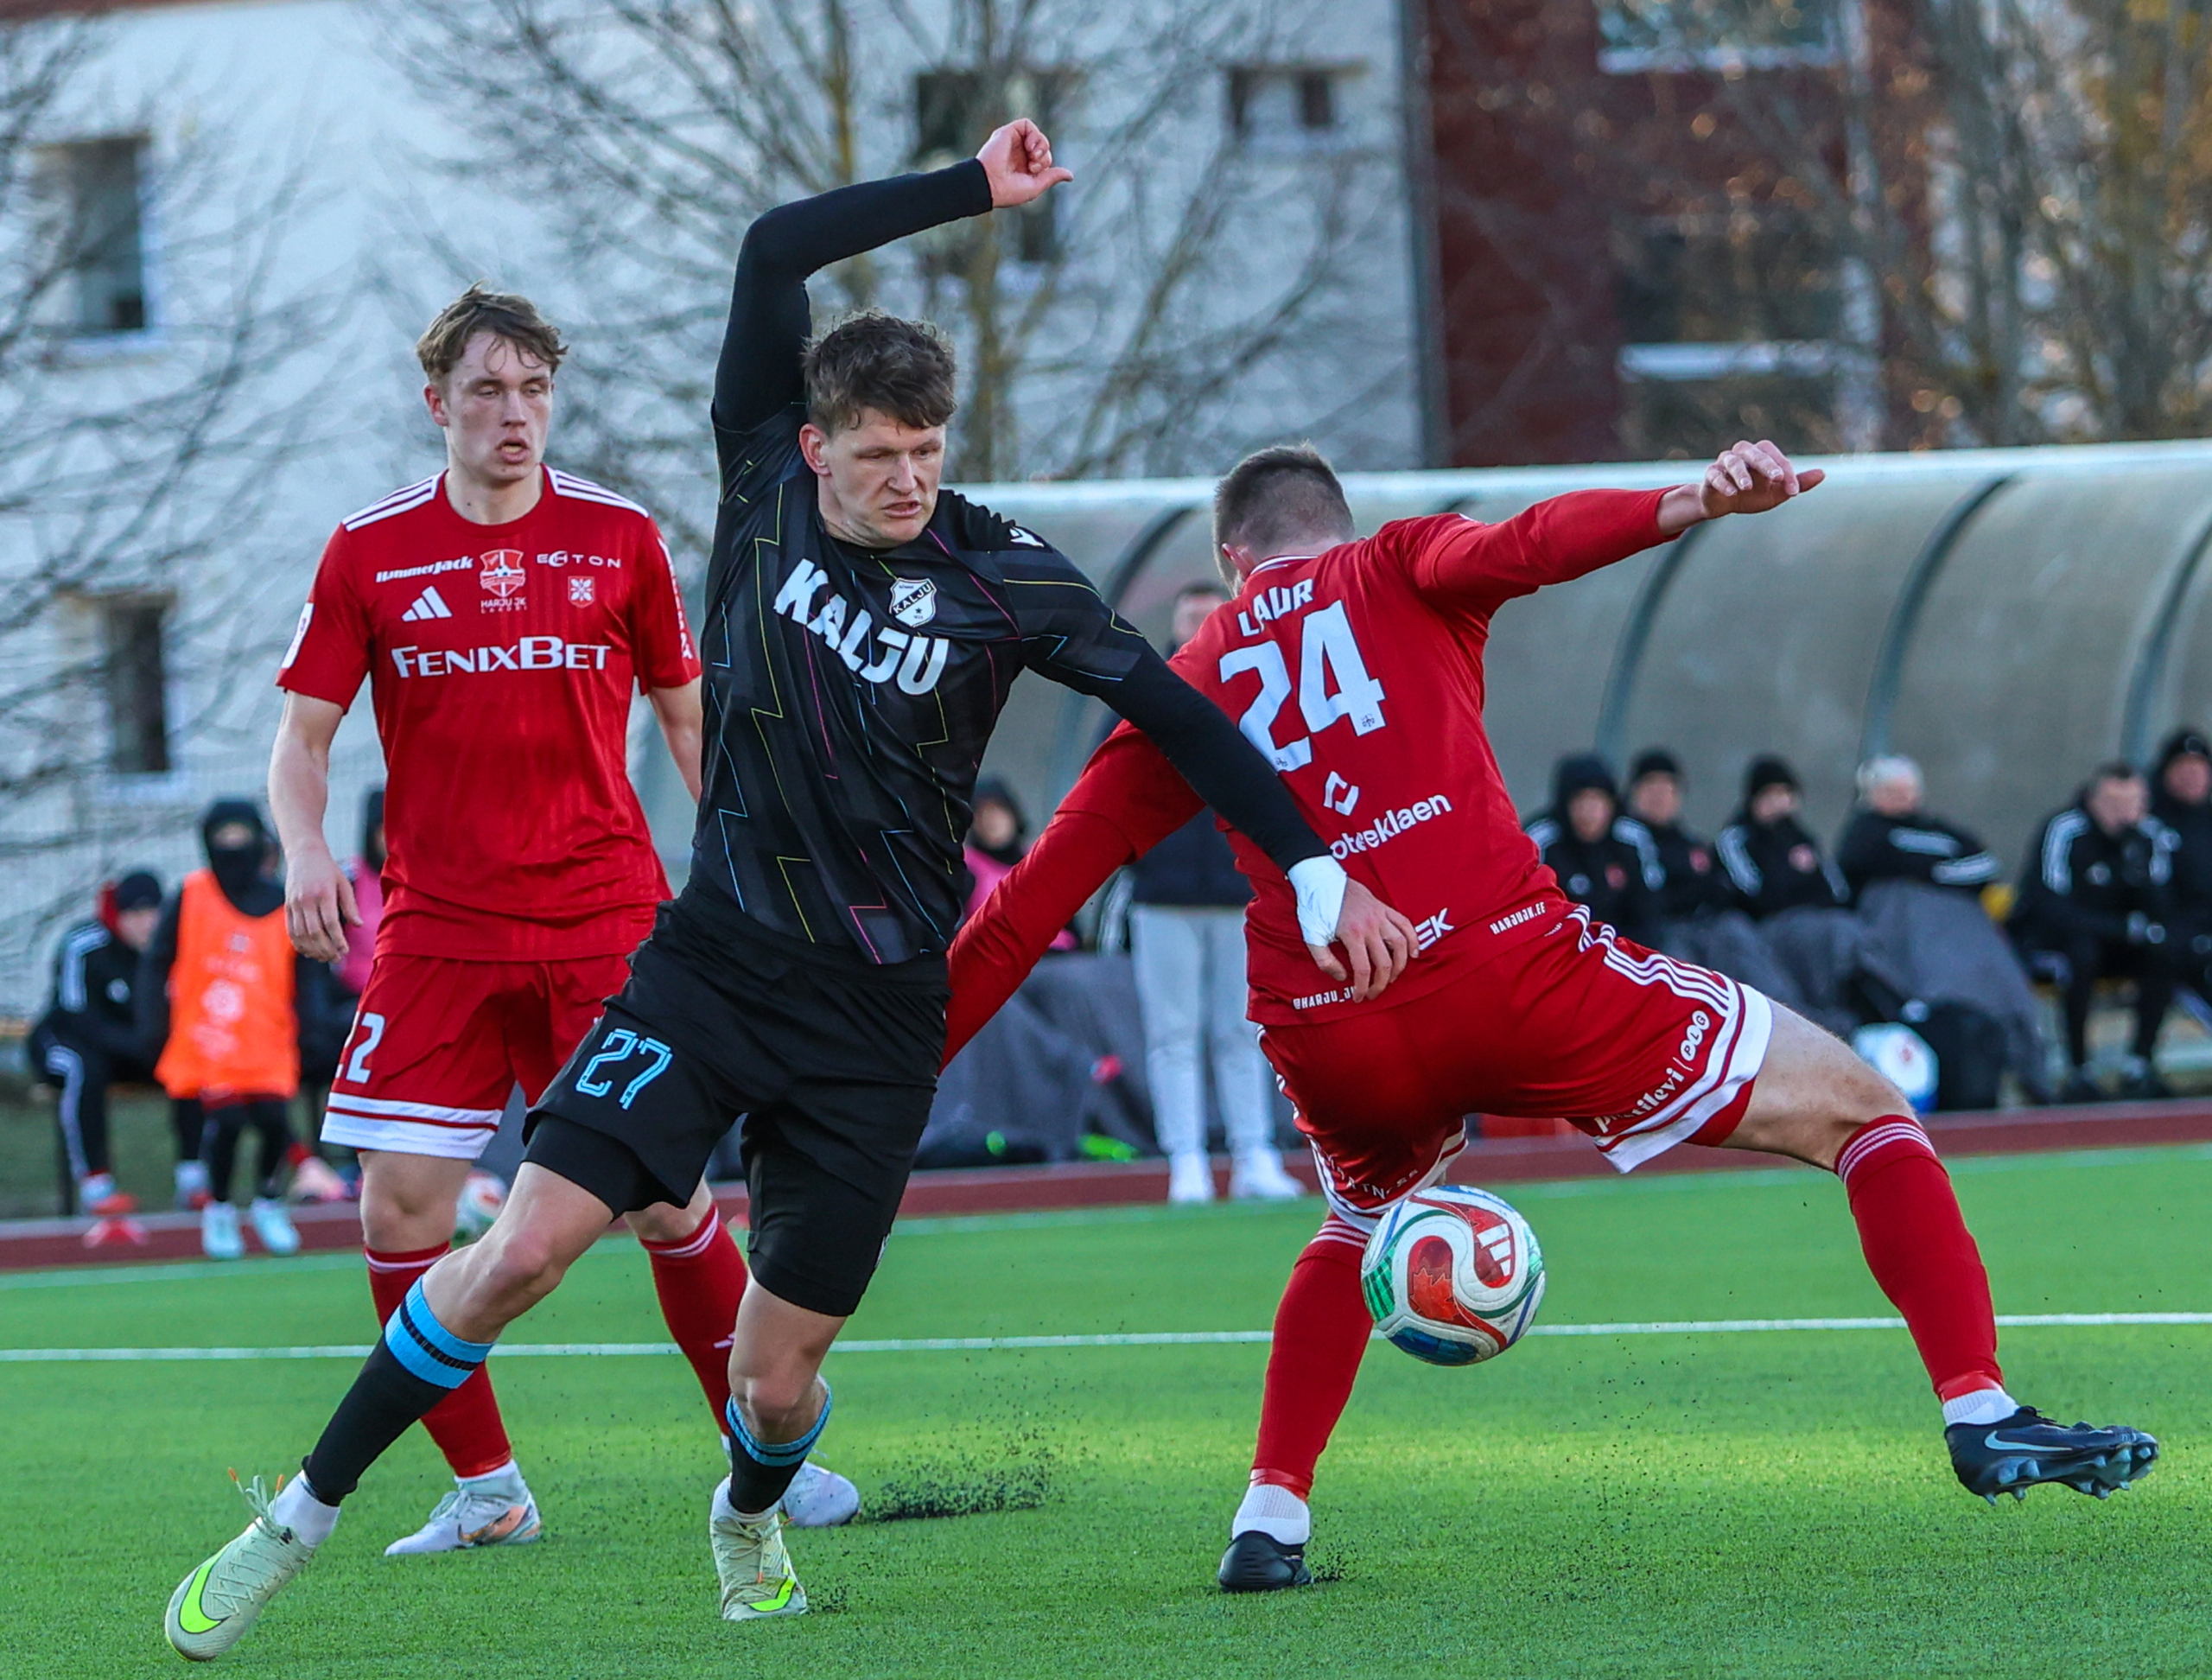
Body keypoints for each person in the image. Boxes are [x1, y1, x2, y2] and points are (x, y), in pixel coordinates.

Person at [165, 121, 1404, 1658]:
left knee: (774, 1385)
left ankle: (748, 1509)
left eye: (927, 452)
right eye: (878, 452)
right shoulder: (756, 480)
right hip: (712, 968)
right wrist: (972, 189)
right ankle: (297, 1519)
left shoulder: (1004, 575)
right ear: (814, 443)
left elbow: (1183, 715)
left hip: (879, 1019)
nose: (907, 478)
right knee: (522, 1249)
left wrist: (1316, 864)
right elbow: (770, 250)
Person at [943, 438, 2155, 1595]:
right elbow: (1528, 543)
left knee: (1358, 1219)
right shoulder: (1392, 562)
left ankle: (1271, 1511)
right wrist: (1692, 502)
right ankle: (1980, 1408)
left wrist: (897, 1066)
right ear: (1337, 528)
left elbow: (1026, 908)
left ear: (1233, 560)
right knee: (1864, 1112)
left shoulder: (1183, 683)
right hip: (1509, 975)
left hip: (1333, 1022)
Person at [257, 284, 833, 1556]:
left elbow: (688, 716)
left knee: (666, 1200)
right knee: (398, 1212)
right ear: (437, 404)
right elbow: (302, 738)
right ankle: (488, 1490)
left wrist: (759, 873)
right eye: (487, 391)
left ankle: (768, 1458)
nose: (514, 414)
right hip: (439, 929)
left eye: (534, 390)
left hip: (605, 917)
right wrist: (304, 848)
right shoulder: (367, 551)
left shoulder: (620, 538)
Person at [1129, 582, 1306, 1205]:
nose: (1200, 629)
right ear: (1175, 627)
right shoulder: (1138, 689)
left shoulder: (1260, 687)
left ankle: (1254, 1153)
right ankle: (1186, 1161)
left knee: (1244, 1030)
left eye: (1211, 618)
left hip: (1241, 892)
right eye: (1190, 619)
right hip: (1162, 896)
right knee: (1172, 1034)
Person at [141, 803, 314, 1260]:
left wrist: (313, 1027)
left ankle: (269, 1199)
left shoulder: (282, 900)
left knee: (275, 1125)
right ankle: (219, 1208)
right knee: (228, 1124)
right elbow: (156, 961)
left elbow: (308, 970)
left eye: (242, 836)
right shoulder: (191, 894)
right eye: (225, 838)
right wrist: (153, 1023)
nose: (234, 849)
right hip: (209, 1040)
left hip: (267, 1039)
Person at [1839, 755, 2044, 1106]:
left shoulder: (1938, 830)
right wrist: (1935, 872)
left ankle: (2024, 1073)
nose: (1905, 799)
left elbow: (1984, 866)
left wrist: (1934, 874)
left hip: (1963, 928)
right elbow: (1865, 865)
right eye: (1893, 791)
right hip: (1908, 930)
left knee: (2006, 984)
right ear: (1873, 795)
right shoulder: (1866, 833)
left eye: (1909, 791)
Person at [2012, 763, 2177, 1102]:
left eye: (2132, 804)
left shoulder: (2148, 836)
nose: (2123, 813)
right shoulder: (2065, 831)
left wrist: (2136, 866)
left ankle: (2139, 1064)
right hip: (2057, 942)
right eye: (2114, 803)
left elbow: (2161, 906)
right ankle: (2078, 1069)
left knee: (2166, 953)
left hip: (2115, 943)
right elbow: (2050, 906)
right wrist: (2119, 928)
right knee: (2081, 955)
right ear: (2092, 799)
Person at [26, 870, 164, 1215]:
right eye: (136, 915)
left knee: (189, 1067)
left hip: (126, 1050)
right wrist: (140, 1046)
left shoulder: (166, 948)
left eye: (153, 913)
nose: (147, 924)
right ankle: (96, 1185)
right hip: (62, 1041)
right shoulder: (84, 944)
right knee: (83, 1068)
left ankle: (197, 1178)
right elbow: (78, 1017)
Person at [1525, 754, 1658, 946]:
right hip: (1559, 949)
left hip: (1621, 950)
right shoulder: (1542, 840)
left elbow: (1648, 911)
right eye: (1581, 801)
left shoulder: (1631, 839)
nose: (1590, 812)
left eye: (1598, 800)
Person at [963, 780, 1073, 951]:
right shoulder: (967, 866)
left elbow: (1070, 924)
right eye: (981, 814)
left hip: (1058, 956)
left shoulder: (1041, 859)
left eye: (997, 812)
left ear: (1013, 814)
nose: (990, 821)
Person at [2148, 729, 2212, 1004]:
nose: (2192, 776)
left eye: (2199, 769)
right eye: (2184, 767)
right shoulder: (2148, 822)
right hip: (2170, 935)